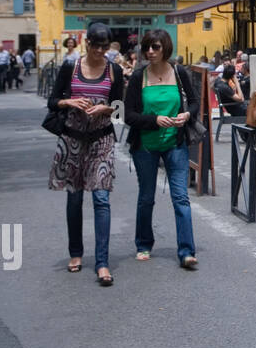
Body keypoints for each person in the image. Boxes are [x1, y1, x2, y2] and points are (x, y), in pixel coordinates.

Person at [48, 22, 124, 285]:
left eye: (105, 47)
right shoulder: (71, 67)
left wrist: (105, 109)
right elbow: (52, 101)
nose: (100, 51)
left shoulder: (113, 69)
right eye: (96, 46)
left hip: (101, 141)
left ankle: (102, 262)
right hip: (73, 140)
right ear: (87, 43)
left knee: (101, 199)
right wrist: (69, 101)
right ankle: (76, 253)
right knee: (74, 199)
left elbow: (120, 107)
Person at [124, 29, 200, 269]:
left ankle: (187, 251)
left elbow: (196, 102)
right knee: (146, 197)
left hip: (175, 143)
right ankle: (144, 244)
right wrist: (154, 120)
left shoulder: (179, 73)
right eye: (147, 47)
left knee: (181, 198)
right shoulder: (139, 77)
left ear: (165, 48)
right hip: (145, 145)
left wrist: (187, 114)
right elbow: (128, 115)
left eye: (155, 47)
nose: (150, 52)